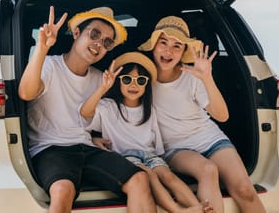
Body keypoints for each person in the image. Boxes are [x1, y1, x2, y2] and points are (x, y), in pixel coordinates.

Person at [18, 6, 157, 213]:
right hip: (50, 149)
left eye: (107, 42)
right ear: (76, 33)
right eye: (94, 34)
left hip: (84, 147)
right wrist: (42, 47)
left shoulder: (98, 78)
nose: (99, 44)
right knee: (63, 190)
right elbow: (26, 93)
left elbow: (89, 119)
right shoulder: (49, 65)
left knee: (139, 178)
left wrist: (93, 138)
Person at [137, 16, 266, 213]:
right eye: (163, 43)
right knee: (208, 170)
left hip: (211, 139)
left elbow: (222, 116)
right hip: (175, 148)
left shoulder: (193, 77)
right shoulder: (141, 78)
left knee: (245, 190)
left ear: (183, 52)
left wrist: (207, 78)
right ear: (153, 45)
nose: (168, 51)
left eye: (177, 46)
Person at [79, 52, 211, 213]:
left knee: (167, 176)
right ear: (118, 82)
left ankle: (198, 207)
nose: (133, 85)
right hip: (126, 157)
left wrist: (160, 158)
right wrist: (103, 88)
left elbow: (156, 141)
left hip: (150, 155)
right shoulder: (108, 107)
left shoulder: (149, 109)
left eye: (140, 80)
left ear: (146, 85)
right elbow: (85, 113)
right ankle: (177, 210)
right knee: (149, 174)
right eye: (127, 79)